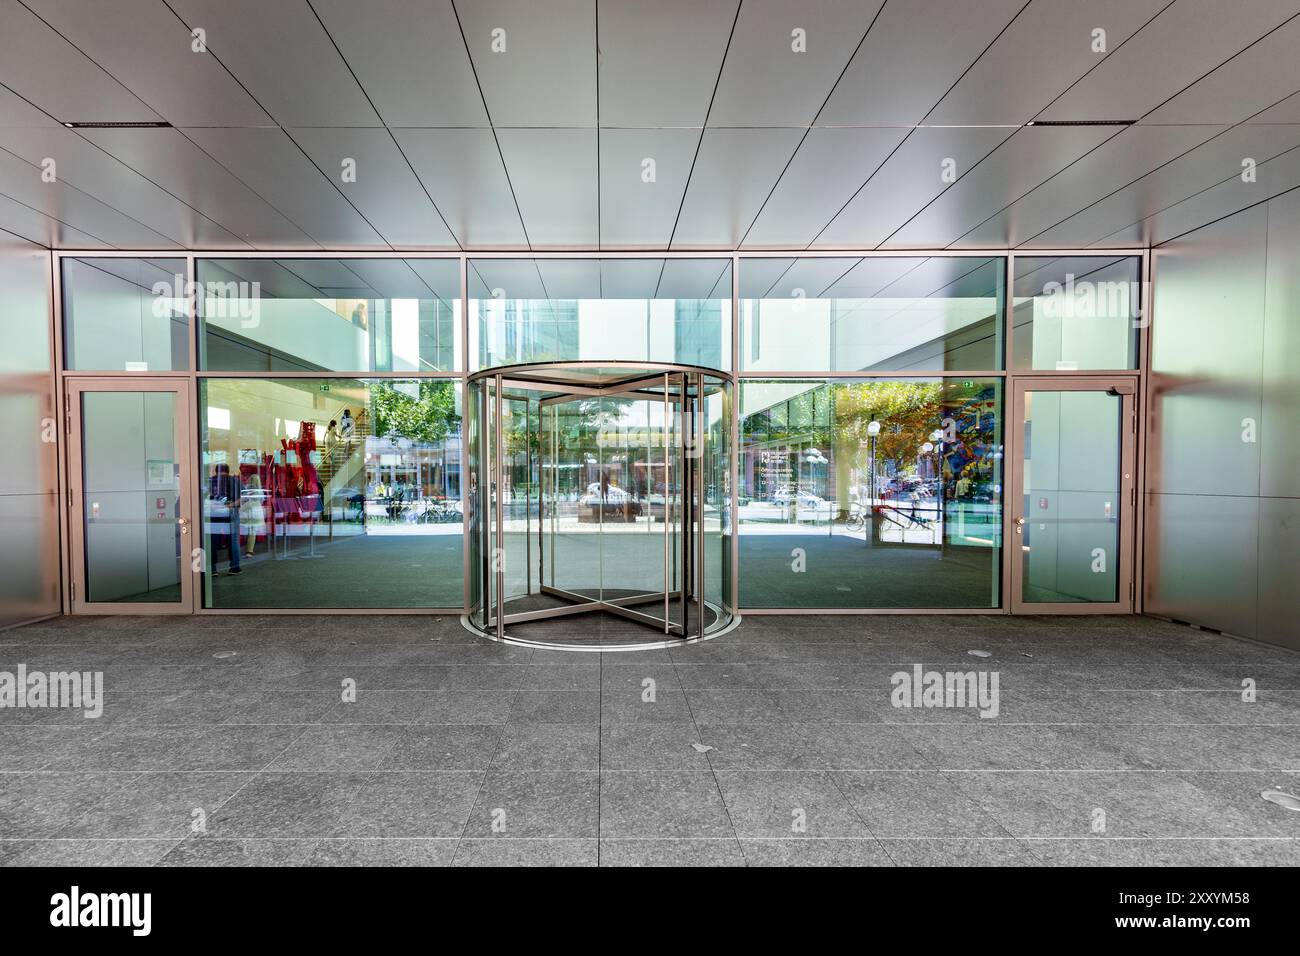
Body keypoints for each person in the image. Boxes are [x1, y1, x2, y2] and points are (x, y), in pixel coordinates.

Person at [207, 464, 242, 574]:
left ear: (216, 471)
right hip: (231, 513)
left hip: (214, 514)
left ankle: (212, 569)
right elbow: (244, 497)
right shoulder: (235, 480)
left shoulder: (210, 480)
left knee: (213, 540)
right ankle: (235, 567)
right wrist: (231, 505)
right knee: (233, 540)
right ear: (228, 470)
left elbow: (205, 498)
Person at [241, 473, 267, 556]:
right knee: (252, 531)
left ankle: (248, 550)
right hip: (256, 512)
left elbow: (243, 499)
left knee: (248, 531)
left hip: (247, 511)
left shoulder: (246, 489)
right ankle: (249, 551)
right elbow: (262, 500)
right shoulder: (260, 491)